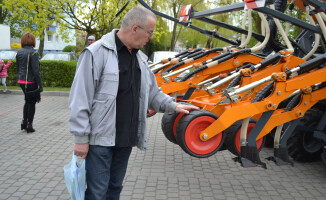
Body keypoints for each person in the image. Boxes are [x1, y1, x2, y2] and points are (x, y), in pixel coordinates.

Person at [69, 6, 198, 200]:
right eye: (150, 32)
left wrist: (174, 106)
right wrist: (80, 138)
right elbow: (80, 98)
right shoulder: (96, 53)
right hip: (99, 142)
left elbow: (153, 93)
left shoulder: (140, 59)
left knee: (114, 189)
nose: (151, 37)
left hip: (125, 140)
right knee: (97, 193)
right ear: (135, 29)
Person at [16, 32, 43, 133]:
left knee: (27, 101)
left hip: (21, 81)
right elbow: (36, 72)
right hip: (31, 82)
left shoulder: (19, 52)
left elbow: (18, 68)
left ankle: (24, 122)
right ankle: (29, 125)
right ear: (33, 41)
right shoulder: (34, 53)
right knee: (31, 103)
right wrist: (40, 86)